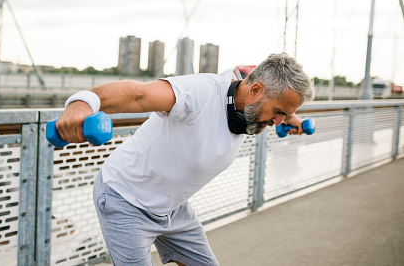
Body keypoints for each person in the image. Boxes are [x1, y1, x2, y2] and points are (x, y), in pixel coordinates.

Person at [55, 52, 315, 266]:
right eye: (279, 113)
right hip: (125, 199)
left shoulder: (249, 97)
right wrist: (84, 103)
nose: (277, 122)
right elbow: (138, 94)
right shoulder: (198, 93)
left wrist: (294, 119)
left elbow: (272, 98)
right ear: (256, 91)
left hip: (173, 208)